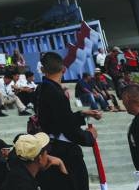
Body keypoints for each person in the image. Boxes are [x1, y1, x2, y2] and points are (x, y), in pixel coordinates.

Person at [35, 50, 101, 190]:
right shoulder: (56, 93)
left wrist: (81, 114)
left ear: (42, 69)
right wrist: (89, 136)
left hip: (49, 147)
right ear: (63, 69)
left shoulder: (41, 90)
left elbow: (58, 119)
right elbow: (68, 128)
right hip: (64, 151)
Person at [3, 133, 68, 190]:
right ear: (40, 158)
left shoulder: (16, 174)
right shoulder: (25, 185)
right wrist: (61, 163)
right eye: (46, 153)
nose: (48, 156)